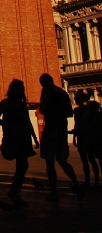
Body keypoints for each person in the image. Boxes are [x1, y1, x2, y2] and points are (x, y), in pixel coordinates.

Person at [38, 73, 84, 201]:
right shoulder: (63, 92)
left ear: (44, 82)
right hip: (62, 129)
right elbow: (69, 113)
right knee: (63, 160)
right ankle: (77, 184)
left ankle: (54, 192)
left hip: (51, 128)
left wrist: (48, 110)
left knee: (50, 161)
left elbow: (43, 108)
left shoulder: (47, 90)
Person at [0, 79, 39, 207]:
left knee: (23, 165)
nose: (18, 91)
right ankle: (15, 192)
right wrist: (8, 126)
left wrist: (34, 137)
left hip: (23, 136)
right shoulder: (5, 103)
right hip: (12, 137)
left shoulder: (22, 105)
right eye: (16, 88)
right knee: (23, 163)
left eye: (20, 89)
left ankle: (15, 191)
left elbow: (27, 121)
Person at [72, 90, 99, 189]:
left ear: (83, 99)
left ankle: (96, 181)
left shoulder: (89, 110)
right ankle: (87, 181)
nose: (76, 101)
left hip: (88, 136)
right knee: (84, 160)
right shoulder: (76, 111)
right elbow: (76, 123)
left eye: (78, 98)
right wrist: (75, 136)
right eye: (75, 99)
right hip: (81, 136)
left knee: (91, 159)